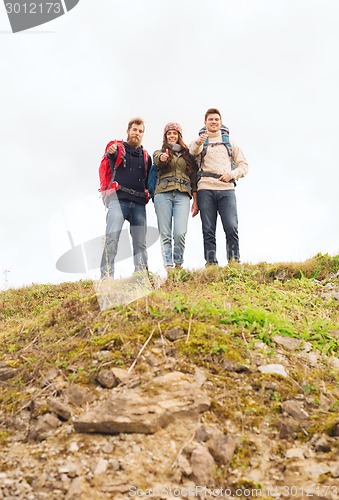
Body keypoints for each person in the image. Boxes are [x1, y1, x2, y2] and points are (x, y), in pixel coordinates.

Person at [189, 108, 249, 265]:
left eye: (216, 119)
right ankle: (211, 263)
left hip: (226, 189)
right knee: (208, 229)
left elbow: (244, 166)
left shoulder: (230, 143)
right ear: (205, 122)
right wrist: (199, 142)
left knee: (231, 226)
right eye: (211, 119)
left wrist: (232, 174)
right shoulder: (200, 142)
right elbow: (192, 152)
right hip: (205, 188)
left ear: (221, 122)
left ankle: (234, 262)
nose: (214, 122)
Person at [100, 117, 152, 279]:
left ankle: (141, 275)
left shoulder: (146, 156)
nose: (137, 133)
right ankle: (107, 276)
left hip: (138, 203)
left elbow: (148, 180)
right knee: (112, 239)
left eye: (140, 131)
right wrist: (110, 151)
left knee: (140, 243)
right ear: (128, 131)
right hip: (118, 200)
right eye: (134, 130)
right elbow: (110, 156)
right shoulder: (117, 150)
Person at [153, 122, 199, 270]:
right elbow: (158, 161)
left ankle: (178, 263)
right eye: (169, 133)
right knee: (165, 233)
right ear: (165, 137)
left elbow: (193, 180)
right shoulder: (159, 153)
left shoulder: (188, 156)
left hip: (183, 195)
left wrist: (195, 202)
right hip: (163, 194)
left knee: (180, 233)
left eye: (174, 133)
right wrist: (163, 159)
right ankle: (168, 266)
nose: (172, 136)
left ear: (179, 136)